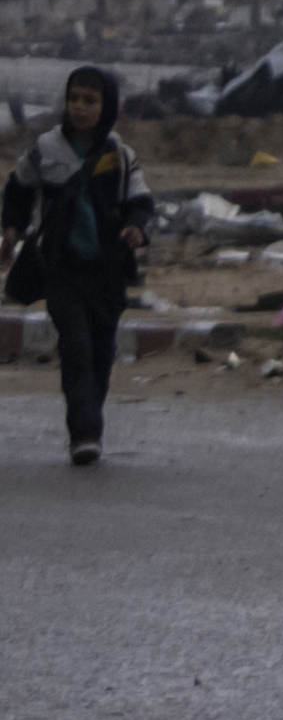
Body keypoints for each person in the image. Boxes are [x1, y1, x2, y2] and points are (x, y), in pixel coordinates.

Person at [6, 70, 139, 469]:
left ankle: (90, 420)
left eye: (89, 100)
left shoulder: (120, 154)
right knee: (76, 346)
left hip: (107, 270)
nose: (80, 107)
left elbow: (140, 200)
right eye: (74, 98)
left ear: (106, 107)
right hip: (61, 266)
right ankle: (83, 432)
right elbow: (18, 186)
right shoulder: (46, 148)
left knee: (101, 349)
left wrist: (136, 227)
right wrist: (10, 229)